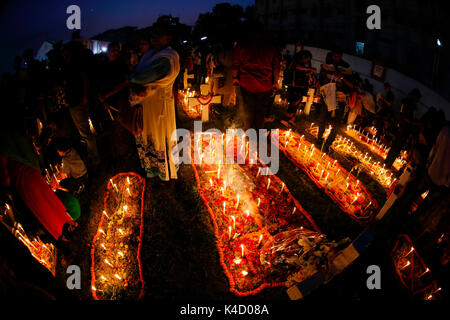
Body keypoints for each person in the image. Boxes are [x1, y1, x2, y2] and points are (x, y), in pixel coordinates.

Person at [128, 22, 180, 180]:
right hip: (147, 104)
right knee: (147, 135)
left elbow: (140, 77)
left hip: (159, 106)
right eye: (153, 33)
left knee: (158, 137)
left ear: (169, 37)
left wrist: (129, 77)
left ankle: (164, 173)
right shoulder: (149, 54)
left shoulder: (168, 57)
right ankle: (150, 168)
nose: (155, 37)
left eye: (160, 33)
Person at [232, 21, 280, 135]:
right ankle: (258, 132)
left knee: (248, 110)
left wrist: (235, 78)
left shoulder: (242, 45)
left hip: (246, 83)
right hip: (264, 85)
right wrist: (275, 83)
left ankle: (248, 133)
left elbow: (236, 64)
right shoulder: (271, 47)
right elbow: (276, 67)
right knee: (260, 111)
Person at [62, 41, 100, 167]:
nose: (65, 56)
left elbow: (84, 80)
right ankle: (92, 154)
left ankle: (95, 158)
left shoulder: (76, 65)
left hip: (78, 101)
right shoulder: (68, 66)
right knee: (84, 131)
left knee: (85, 131)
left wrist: (84, 97)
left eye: (67, 53)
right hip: (74, 101)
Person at [317, 47, 353, 152]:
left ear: (341, 55)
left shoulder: (347, 67)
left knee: (337, 122)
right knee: (323, 117)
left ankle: (328, 142)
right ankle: (320, 139)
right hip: (328, 94)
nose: (335, 58)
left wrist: (342, 78)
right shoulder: (327, 64)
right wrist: (324, 79)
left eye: (338, 56)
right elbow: (322, 77)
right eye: (334, 56)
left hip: (340, 97)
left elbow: (351, 85)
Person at [283, 50, 316, 125]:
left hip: (300, 86)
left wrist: (308, 73)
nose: (307, 61)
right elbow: (296, 67)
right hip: (294, 86)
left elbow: (301, 72)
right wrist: (309, 69)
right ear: (303, 57)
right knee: (294, 102)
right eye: (307, 59)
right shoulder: (294, 61)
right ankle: (285, 119)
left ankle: (291, 119)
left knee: (297, 103)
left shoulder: (303, 64)